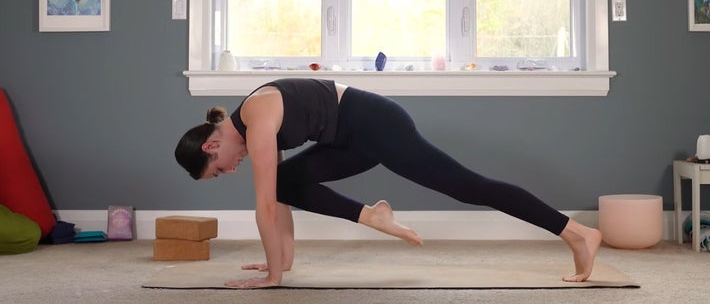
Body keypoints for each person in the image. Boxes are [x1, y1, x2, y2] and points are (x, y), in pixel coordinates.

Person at [175, 78, 602, 289]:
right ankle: (374, 214)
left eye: (219, 169)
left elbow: (264, 207)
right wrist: (280, 265)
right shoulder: (253, 124)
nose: (231, 170)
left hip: (375, 124)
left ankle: (578, 232)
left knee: (470, 186)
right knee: (287, 180)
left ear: (212, 146)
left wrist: (270, 280)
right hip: (349, 137)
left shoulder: (256, 116)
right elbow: (281, 199)